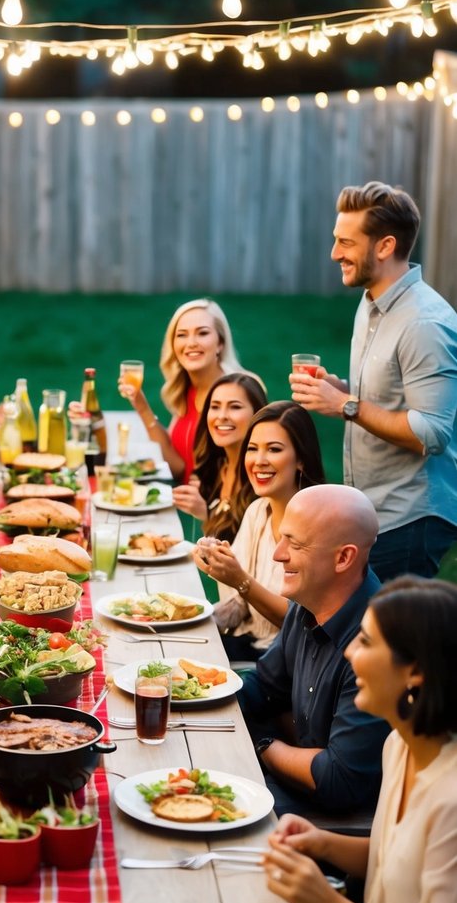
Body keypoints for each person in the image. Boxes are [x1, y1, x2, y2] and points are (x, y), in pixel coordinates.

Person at [264, 576, 457, 903]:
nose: (349, 652)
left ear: (415, 672)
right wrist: (320, 842)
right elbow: (392, 857)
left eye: (365, 641)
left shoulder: (450, 800)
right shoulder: (399, 746)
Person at [291, 181, 457, 582]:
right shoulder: (370, 304)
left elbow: (432, 432)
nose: (335, 254)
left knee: (391, 640)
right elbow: (393, 394)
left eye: (346, 243)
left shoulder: (424, 323)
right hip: (373, 509)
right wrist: (344, 390)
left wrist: (346, 406)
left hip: (410, 518)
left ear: (384, 246)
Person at [241, 483, 390, 818]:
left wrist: (262, 744)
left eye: (294, 543)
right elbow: (263, 688)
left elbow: (338, 780)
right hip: (292, 786)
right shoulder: (310, 600)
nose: (277, 554)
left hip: (334, 823)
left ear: (344, 558)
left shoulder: (376, 642)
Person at [194, 401, 326, 660]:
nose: (259, 461)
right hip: (249, 646)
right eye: (252, 449)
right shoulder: (258, 511)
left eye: (274, 450)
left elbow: (302, 624)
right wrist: (191, 617)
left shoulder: (318, 526)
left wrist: (241, 581)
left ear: (300, 459)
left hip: (289, 664)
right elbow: (239, 606)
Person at [118, 298, 247, 482]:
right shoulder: (187, 390)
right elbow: (178, 467)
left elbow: (250, 464)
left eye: (202, 333)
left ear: (220, 343)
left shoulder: (241, 388)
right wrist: (142, 407)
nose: (191, 342)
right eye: (182, 335)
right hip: (185, 504)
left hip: (222, 508)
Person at [172, 372, 268, 543]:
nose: (221, 416)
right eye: (215, 407)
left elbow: (247, 551)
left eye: (235, 407)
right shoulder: (216, 467)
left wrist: (206, 515)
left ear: (257, 414)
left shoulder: (263, 474)